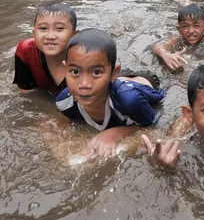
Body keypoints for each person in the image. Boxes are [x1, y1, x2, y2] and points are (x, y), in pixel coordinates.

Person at [56, 28, 165, 158]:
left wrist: (116, 133)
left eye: (96, 72)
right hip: (108, 81)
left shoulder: (130, 101)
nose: (84, 84)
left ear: (113, 73)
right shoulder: (64, 103)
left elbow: (153, 128)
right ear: (64, 69)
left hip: (142, 81)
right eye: (75, 72)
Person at [13, 3, 78, 95]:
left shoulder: (85, 56)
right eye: (43, 28)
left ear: (74, 35)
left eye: (59, 28)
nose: (50, 36)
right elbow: (26, 95)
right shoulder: (26, 51)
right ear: (34, 33)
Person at [151, 4, 204, 71]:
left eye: (196, 26)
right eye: (185, 26)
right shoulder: (178, 40)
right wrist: (165, 54)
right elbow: (157, 46)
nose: (191, 31)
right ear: (179, 29)